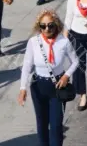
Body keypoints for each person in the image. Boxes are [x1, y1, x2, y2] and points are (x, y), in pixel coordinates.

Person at [18, 9, 79, 146]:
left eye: (50, 25)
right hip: (38, 86)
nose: (47, 29)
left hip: (57, 86)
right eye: (43, 26)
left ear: (56, 24)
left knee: (56, 125)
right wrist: (23, 88)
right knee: (42, 123)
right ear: (39, 26)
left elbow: (75, 61)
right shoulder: (33, 42)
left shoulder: (63, 42)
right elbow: (27, 66)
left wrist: (66, 76)